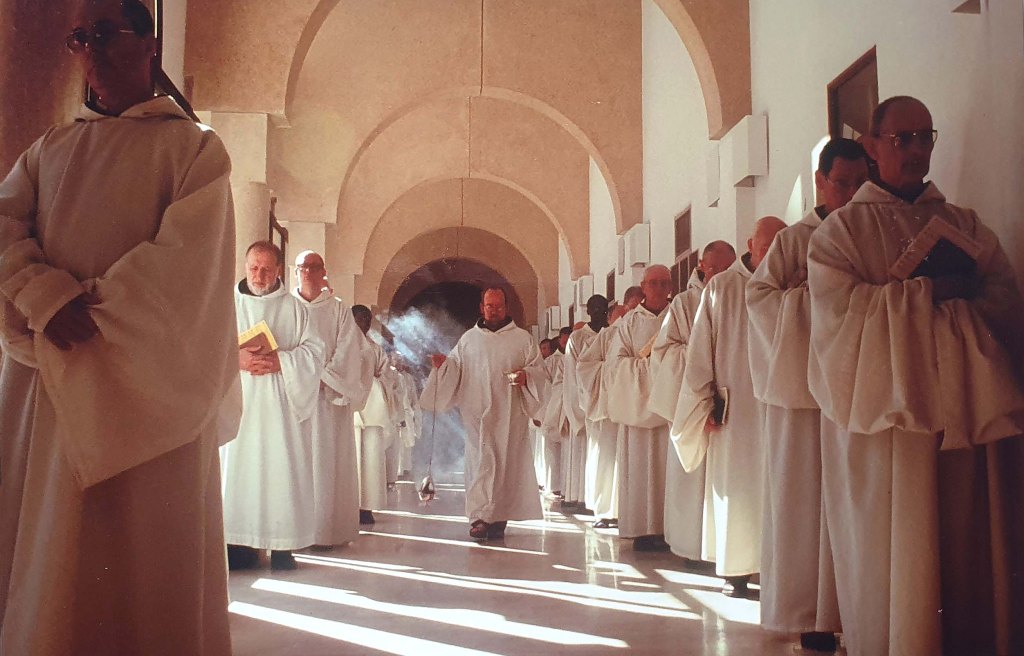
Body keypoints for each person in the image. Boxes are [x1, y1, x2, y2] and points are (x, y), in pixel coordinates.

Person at [0, 1, 238, 651]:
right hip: (50, 383)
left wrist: (85, 318)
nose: (91, 50)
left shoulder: (195, 151)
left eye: (106, 33)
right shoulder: (48, 150)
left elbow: (186, 272)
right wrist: (43, 298)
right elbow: (4, 228)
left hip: (147, 394)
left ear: (149, 45)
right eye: (80, 37)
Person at [807, 96, 1024, 656]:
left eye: (925, 137)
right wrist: (928, 295)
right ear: (873, 147)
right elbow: (836, 321)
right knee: (898, 549)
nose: (915, 150)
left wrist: (946, 307)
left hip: (962, 411)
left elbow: (1004, 299)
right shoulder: (841, 233)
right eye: (901, 139)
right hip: (889, 425)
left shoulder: (964, 223)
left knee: (961, 545)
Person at [746, 138, 867, 648]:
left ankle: (856, 612)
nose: (851, 194)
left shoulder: (868, 232)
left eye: (859, 184)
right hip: (803, 393)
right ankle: (812, 614)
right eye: (841, 184)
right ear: (820, 181)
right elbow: (759, 299)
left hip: (855, 385)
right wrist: (805, 301)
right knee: (805, 500)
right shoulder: (794, 241)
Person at [674, 217, 786, 596]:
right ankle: (737, 570)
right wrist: (702, 403)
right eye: (766, 247)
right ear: (751, 245)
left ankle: (778, 569)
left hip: (780, 405)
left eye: (780, 247)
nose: (773, 255)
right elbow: (699, 353)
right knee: (737, 487)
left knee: (779, 486)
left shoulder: (793, 283)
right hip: (735, 406)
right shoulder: (723, 287)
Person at [221, 241, 324, 571]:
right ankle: (238, 545)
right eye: (253, 268)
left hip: (281, 408)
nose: (259, 275)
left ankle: (283, 545)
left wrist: (283, 361)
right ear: (245, 266)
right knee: (239, 472)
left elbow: (315, 353)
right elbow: (206, 347)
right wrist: (235, 358)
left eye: (266, 269)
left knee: (281, 471)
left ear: (279, 270)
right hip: (239, 404)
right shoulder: (227, 305)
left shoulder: (296, 309)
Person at [421, 287, 546, 540]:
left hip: (509, 413)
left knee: (505, 464)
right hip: (475, 412)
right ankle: (479, 517)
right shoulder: (469, 339)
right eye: (490, 306)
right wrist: (444, 366)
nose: (494, 311)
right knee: (479, 462)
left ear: (506, 307)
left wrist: (526, 377)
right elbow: (455, 368)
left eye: (498, 306)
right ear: (482, 308)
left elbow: (539, 371)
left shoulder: (522, 339)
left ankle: (498, 517)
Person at [649, 242, 736, 563]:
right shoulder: (684, 303)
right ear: (701, 266)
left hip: (732, 399)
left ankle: (725, 549)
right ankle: (691, 546)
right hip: (692, 399)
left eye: (727, 269)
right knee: (693, 475)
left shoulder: (739, 295)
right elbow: (664, 351)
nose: (720, 275)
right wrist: (698, 356)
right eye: (714, 269)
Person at [291, 250, 373, 548]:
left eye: (314, 267)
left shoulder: (338, 309)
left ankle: (327, 531)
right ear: (295, 272)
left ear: (323, 271)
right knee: (296, 464)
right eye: (303, 267)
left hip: (328, 399)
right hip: (295, 399)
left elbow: (350, 350)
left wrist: (324, 376)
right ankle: (296, 532)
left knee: (327, 463)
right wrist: (302, 375)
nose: (308, 273)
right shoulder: (288, 307)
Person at [605, 267, 674, 551]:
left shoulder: (678, 315)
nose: (658, 288)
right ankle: (643, 530)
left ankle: (670, 529)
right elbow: (615, 364)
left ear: (671, 286)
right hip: (637, 405)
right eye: (653, 283)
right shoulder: (629, 322)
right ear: (643, 287)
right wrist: (649, 368)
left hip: (669, 406)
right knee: (640, 467)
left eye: (664, 283)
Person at [577, 288, 641, 529]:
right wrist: (614, 372)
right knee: (606, 458)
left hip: (634, 405)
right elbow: (585, 367)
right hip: (607, 405)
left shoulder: (646, 330)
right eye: (631, 307)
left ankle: (628, 510)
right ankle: (605, 510)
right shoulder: (609, 334)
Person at [562, 296, 607, 513]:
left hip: (607, 404)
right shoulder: (578, 338)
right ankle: (580, 497)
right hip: (583, 403)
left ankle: (601, 500)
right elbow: (572, 374)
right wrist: (578, 407)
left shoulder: (612, 333)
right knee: (583, 451)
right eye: (594, 308)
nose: (598, 311)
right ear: (587, 311)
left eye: (602, 308)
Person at [352, 304, 392, 525]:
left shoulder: (376, 349)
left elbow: (386, 377)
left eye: (367, 319)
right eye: (360, 318)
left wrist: (374, 383)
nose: (364, 323)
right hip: (350, 415)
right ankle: (348, 506)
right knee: (351, 461)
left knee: (371, 461)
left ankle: (366, 507)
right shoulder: (343, 345)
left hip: (373, 412)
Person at [541, 328, 570, 501]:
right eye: (564, 341)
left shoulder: (572, 358)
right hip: (553, 405)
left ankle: (565, 485)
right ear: (559, 340)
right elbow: (546, 387)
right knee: (552, 447)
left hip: (568, 406)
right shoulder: (552, 361)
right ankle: (554, 484)